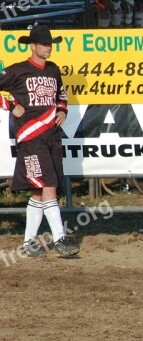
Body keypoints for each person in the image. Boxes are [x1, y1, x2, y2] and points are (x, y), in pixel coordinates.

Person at [0, 25, 79, 257]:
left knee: (38, 191)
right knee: (49, 187)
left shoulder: (53, 70)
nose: (48, 48)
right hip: (31, 137)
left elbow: (61, 94)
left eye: (50, 44)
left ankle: (27, 243)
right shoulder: (17, 71)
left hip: (52, 136)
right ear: (32, 46)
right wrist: (11, 106)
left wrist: (63, 109)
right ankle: (60, 239)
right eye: (44, 44)